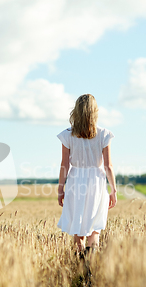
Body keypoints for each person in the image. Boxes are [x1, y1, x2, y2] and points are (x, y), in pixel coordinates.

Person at [56, 94, 117, 257]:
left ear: (76, 111)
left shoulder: (67, 135)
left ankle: (80, 267)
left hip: (76, 181)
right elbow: (108, 166)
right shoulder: (104, 134)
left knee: (78, 226)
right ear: (95, 112)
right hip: (96, 182)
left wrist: (60, 189)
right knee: (94, 229)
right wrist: (113, 190)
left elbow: (64, 165)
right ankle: (90, 268)